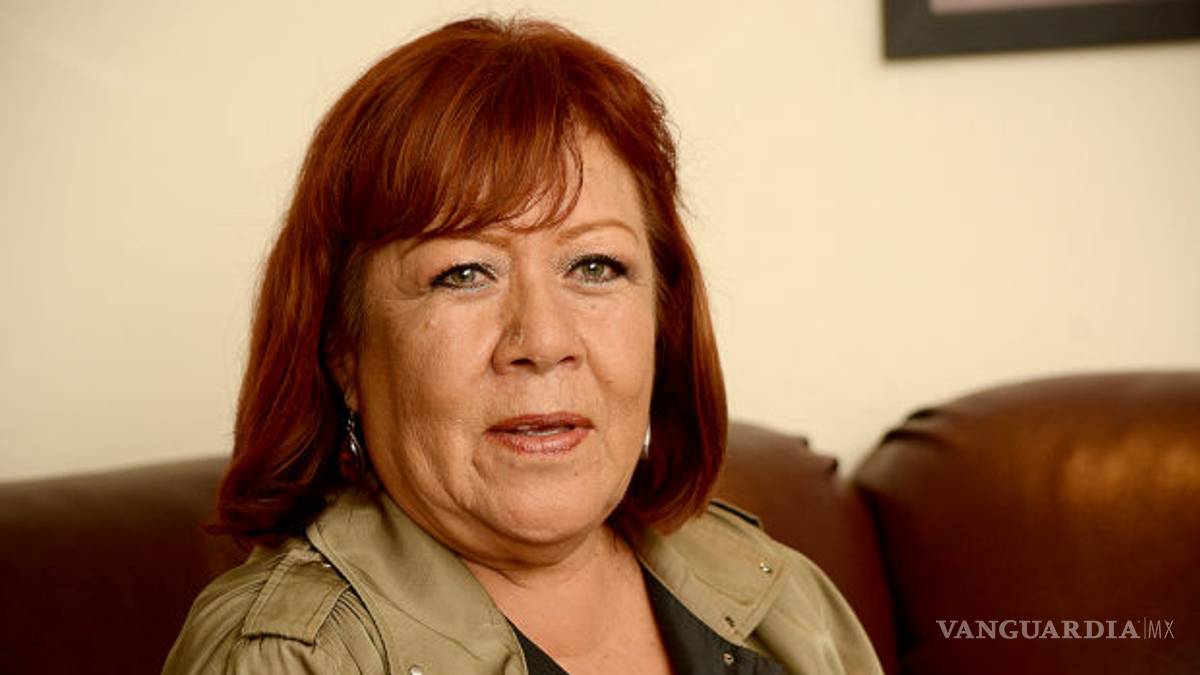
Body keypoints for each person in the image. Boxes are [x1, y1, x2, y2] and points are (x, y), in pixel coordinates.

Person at [164, 16, 883, 675]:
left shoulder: (780, 596)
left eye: (595, 266)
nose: (542, 340)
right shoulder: (288, 657)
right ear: (343, 349)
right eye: (463, 273)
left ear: (664, 319)